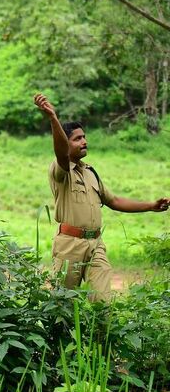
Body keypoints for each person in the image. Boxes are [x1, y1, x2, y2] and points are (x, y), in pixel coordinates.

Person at [33, 93, 169, 301]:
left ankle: (99, 334)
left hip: (96, 244)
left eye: (84, 137)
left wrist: (150, 205)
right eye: (77, 139)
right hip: (69, 245)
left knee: (103, 303)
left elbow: (114, 201)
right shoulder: (61, 170)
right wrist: (53, 119)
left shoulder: (90, 172)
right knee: (62, 306)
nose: (84, 141)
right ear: (66, 142)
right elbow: (61, 153)